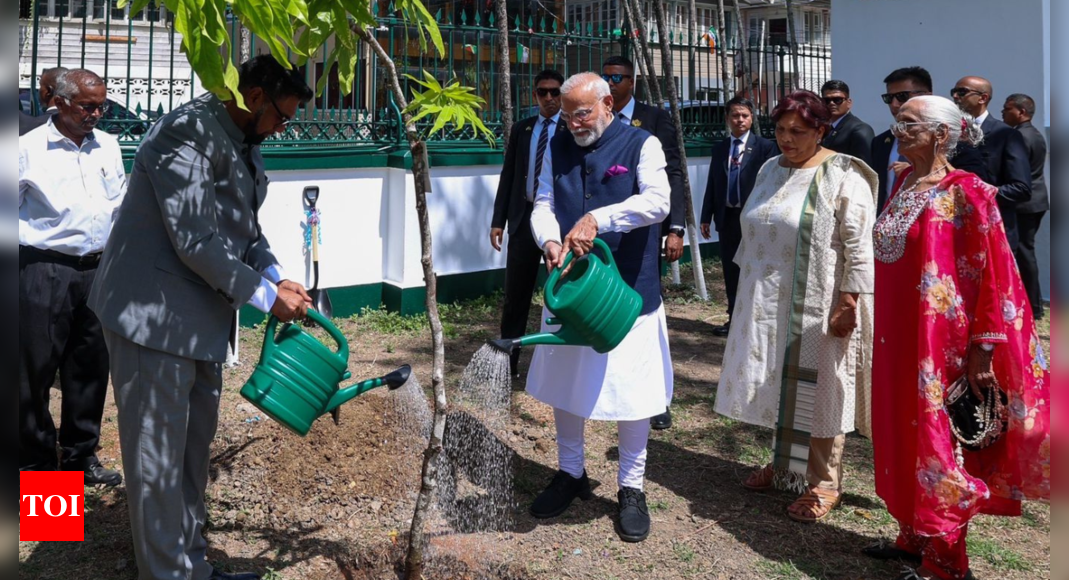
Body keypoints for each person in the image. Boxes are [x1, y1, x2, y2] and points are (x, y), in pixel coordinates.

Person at [88, 56, 314, 580]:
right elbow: (194, 239)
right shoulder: (184, 134)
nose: (283, 129)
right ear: (253, 96)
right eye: (282, 117)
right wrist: (264, 297)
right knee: (155, 459)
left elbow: (243, 228)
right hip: (149, 318)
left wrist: (274, 274)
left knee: (190, 457)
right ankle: (63, 527)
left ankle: (190, 564)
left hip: (197, 318)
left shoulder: (242, 139)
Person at [867, 95, 1049, 580]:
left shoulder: (969, 191)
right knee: (898, 430)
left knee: (936, 442)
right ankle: (912, 533)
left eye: (910, 124)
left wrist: (983, 349)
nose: (898, 130)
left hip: (939, 344)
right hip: (895, 337)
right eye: (897, 122)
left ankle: (946, 562)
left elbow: (997, 276)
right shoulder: (904, 179)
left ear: (942, 134)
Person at [713, 90, 877, 523]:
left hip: (819, 301)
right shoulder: (769, 167)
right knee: (777, 379)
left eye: (798, 131)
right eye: (781, 129)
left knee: (821, 386)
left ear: (821, 130)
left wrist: (849, 299)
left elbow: (860, 246)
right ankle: (787, 466)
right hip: (767, 297)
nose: (787, 139)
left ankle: (824, 481)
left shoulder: (844, 174)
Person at [525, 72, 673, 543]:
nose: (572, 123)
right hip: (571, 287)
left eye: (581, 113)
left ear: (608, 103)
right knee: (567, 384)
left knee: (633, 392)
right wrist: (549, 238)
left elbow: (657, 202)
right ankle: (571, 473)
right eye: (566, 116)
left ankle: (631, 487)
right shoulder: (559, 144)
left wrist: (599, 218)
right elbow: (543, 201)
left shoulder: (642, 144)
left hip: (627, 291)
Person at [19, 69, 126, 486]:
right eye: (88, 105)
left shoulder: (109, 147)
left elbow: (119, 207)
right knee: (34, 375)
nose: (96, 113)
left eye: (102, 105)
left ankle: (82, 459)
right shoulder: (27, 149)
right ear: (60, 102)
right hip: (44, 270)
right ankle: (41, 476)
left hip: (99, 272)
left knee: (90, 370)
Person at [602, 55, 684, 431]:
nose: (610, 83)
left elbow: (674, 174)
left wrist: (676, 228)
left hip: (645, 232)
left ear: (632, 81)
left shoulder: (653, 119)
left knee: (648, 316)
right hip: (603, 238)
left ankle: (658, 398)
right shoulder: (597, 120)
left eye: (616, 77)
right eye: (606, 77)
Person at [491, 70, 565, 378]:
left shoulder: (572, 129)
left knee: (561, 295)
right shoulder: (522, 130)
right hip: (522, 222)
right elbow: (508, 176)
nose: (548, 98)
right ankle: (507, 365)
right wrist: (498, 221)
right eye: (542, 92)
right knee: (515, 297)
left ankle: (559, 369)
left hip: (558, 227)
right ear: (534, 95)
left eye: (554, 92)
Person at [699, 96, 779, 338]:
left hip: (753, 220)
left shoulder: (765, 147)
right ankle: (734, 319)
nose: (740, 120)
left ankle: (756, 320)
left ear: (752, 118)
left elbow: (770, 184)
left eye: (744, 115)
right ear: (727, 119)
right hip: (727, 219)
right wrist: (706, 215)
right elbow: (713, 182)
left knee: (754, 268)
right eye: (735, 115)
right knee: (731, 270)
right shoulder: (720, 148)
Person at [871, 67, 988, 213]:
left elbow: (974, 192)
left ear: (927, 95)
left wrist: (916, 173)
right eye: (889, 98)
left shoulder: (957, 143)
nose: (895, 104)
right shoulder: (881, 142)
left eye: (902, 96)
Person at [951, 76, 1031, 251]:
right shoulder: (950, 133)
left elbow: (1021, 189)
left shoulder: (1005, 135)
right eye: (954, 92)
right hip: (957, 232)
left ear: (983, 98)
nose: (955, 97)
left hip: (994, 232)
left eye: (962, 92)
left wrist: (976, 193)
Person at [1001, 93, 1049, 320]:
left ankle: (1033, 306)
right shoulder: (1035, 134)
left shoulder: (1018, 137)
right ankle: (1034, 305)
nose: (1002, 112)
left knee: (1024, 253)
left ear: (1021, 112)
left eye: (1007, 108)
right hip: (1035, 202)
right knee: (1026, 253)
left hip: (1024, 205)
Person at [820, 80, 875, 167]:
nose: (831, 103)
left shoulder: (860, 129)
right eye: (826, 100)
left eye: (837, 100)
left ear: (849, 103)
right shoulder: (822, 128)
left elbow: (865, 168)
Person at [20, 66, 67, 135]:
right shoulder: (83, 127)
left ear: (48, 91)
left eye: (41, 86)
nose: (39, 90)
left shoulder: (29, 126)